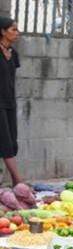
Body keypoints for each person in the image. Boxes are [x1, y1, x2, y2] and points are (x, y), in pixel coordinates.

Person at [0, 17, 22, 186]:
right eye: (13, 29)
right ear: (2, 31)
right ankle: (18, 181)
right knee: (6, 142)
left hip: (9, 103)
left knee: (12, 142)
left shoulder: (13, 54)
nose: (17, 32)